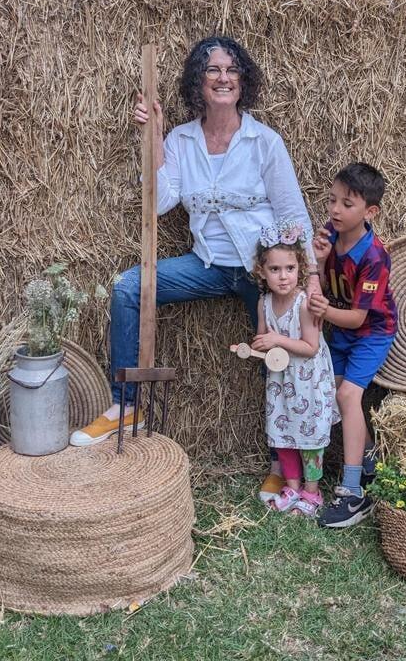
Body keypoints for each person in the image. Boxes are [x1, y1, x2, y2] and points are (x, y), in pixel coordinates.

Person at [70, 37, 321, 500]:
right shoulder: (182, 138)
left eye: (231, 70)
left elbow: (291, 213)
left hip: (258, 272)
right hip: (206, 264)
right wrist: (156, 139)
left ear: (243, 82)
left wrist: (308, 280)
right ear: (198, 83)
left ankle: (280, 463)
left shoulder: (263, 142)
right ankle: (127, 407)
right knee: (129, 288)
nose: (223, 78)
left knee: (278, 355)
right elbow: (161, 203)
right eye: (213, 70)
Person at [308, 163, 397, 528]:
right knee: (335, 394)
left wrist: (324, 310)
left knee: (348, 397)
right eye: (332, 200)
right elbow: (323, 279)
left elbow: (360, 318)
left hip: (371, 333)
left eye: (347, 204)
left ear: (370, 211)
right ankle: (370, 456)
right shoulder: (330, 233)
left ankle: (352, 492)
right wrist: (319, 262)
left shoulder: (374, 257)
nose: (335, 210)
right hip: (340, 331)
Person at [250, 222, 338, 517]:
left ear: (300, 268)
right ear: (262, 271)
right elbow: (263, 337)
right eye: (274, 269)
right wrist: (259, 345)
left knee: (309, 436)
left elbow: (310, 347)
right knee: (282, 432)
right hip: (280, 381)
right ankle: (292, 487)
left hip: (308, 381)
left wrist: (277, 339)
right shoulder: (263, 303)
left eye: (289, 268)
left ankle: (311, 494)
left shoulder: (304, 304)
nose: (283, 276)